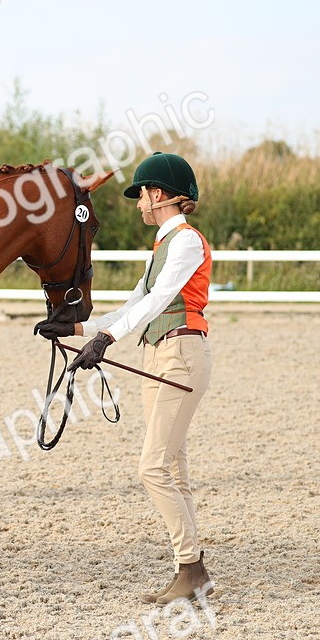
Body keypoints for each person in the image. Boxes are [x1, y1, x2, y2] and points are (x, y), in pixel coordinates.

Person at [35, 152, 216, 604]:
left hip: (181, 351)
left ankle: (191, 568)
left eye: (141, 195)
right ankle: (193, 571)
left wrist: (108, 340)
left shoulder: (187, 242)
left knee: (152, 468)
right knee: (173, 468)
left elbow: (156, 302)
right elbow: (133, 304)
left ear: (160, 195)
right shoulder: (161, 246)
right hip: (159, 352)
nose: (137, 204)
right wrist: (77, 330)